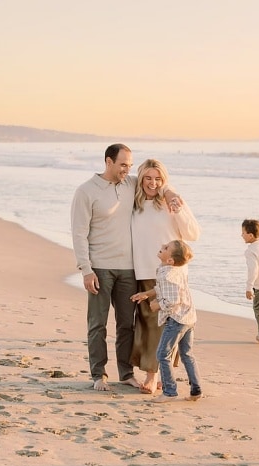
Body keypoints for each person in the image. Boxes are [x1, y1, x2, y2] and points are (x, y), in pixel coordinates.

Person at [71, 144, 181, 391]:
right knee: (97, 323)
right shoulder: (86, 191)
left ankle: (125, 373)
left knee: (126, 324)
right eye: (123, 165)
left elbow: (155, 182)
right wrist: (86, 269)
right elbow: (79, 233)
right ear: (108, 162)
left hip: (128, 268)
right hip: (99, 268)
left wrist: (171, 194)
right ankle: (98, 374)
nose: (127, 170)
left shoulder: (130, 184)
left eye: (130, 166)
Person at [130, 159, 201, 395]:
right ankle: (157, 374)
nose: (153, 183)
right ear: (140, 178)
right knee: (150, 326)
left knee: (171, 326)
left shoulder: (172, 202)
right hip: (145, 271)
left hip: (172, 275)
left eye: (158, 178)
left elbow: (193, 233)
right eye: (148, 178)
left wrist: (174, 202)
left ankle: (154, 376)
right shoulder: (135, 202)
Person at [131, 240, 202, 403]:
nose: (161, 247)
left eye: (165, 248)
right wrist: (146, 294)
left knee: (163, 354)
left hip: (177, 320)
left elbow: (172, 300)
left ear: (170, 260)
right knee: (187, 354)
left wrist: (157, 305)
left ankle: (170, 392)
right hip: (189, 317)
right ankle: (196, 389)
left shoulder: (167, 274)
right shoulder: (176, 270)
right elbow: (162, 289)